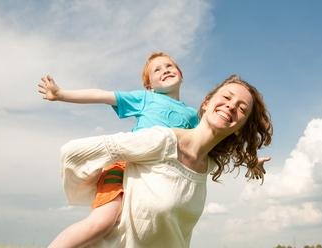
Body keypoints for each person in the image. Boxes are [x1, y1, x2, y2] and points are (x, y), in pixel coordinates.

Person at [61, 74, 273, 247]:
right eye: (226, 97)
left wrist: (253, 164)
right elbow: (73, 153)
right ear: (207, 103)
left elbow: (233, 156)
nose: (231, 106)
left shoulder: (208, 164)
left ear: (239, 129)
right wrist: (115, 181)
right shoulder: (161, 140)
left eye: (242, 108)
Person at [38, 52, 199, 248]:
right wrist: (61, 94)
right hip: (123, 167)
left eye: (169, 66)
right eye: (157, 70)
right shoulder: (146, 99)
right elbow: (102, 95)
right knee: (102, 222)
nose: (165, 70)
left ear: (180, 74)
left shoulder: (192, 116)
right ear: (149, 86)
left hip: (155, 179)